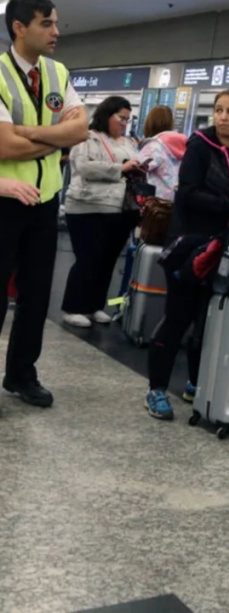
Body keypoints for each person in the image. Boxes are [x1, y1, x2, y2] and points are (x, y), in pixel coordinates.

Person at [0, 0, 88, 408]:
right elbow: (4, 146)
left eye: (56, 23)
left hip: (46, 201)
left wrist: (26, 133)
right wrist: (54, 138)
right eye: (46, 23)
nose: (56, 32)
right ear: (19, 27)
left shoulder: (58, 73)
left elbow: (80, 130)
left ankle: (21, 374)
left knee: (36, 295)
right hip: (5, 200)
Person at [144, 90, 229, 420]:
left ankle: (195, 382)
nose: (223, 117)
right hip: (189, 247)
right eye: (219, 110)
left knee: (205, 321)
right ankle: (156, 388)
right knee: (178, 316)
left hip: (220, 248)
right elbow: (188, 194)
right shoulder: (200, 147)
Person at [60, 95, 141, 328]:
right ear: (107, 115)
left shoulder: (128, 142)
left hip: (118, 208)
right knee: (88, 258)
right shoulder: (86, 138)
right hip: (86, 206)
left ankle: (94, 305)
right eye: (120, 118)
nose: (124, 123)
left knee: (106, 261)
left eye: (127, 119)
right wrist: (120, 168)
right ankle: (73, 307)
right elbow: (83, 167)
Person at [137, 105, 187, 202]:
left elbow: (136, 168)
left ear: (150, 123)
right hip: (178, 200)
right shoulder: (184, 144)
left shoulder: (154, 146)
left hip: (157, 203)